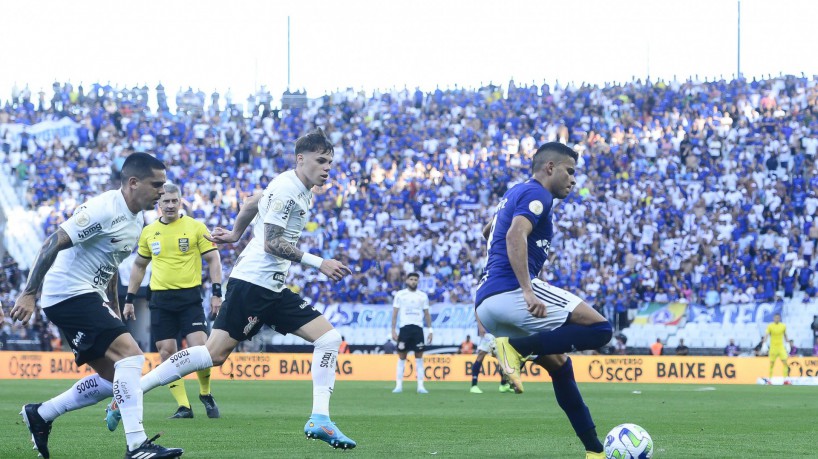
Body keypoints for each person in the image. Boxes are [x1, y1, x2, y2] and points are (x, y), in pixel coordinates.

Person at [105, 128, 357, 449]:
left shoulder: (298, 187)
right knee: (213, 354)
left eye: (330, 162)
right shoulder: (287, 190)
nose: (327, 168)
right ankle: (129, 393)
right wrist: (318, 262)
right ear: (301, 159)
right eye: (321, 161)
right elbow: (272, 242)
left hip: (272, 286)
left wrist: (237, 233)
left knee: (329, 338)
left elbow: (253, 201)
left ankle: (320, 419)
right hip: (252, 283)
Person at [4, 153, 182, 458]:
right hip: (67, 293)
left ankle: (41, 414)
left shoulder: (137, 219)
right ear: (133, 182)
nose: (162, 192)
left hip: (88, 296)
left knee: (117, 377)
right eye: (157, 185)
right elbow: (52, 241)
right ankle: (137, 446)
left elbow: (110, 267)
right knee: (132, 357)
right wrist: (29, 293)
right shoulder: (103, 209)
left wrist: (112, 310)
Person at [474, 142, 612, 459]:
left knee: (560, 367)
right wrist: (527, 289)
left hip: (488, 303)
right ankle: (515, 350)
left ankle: (594, 451)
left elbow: (490, 231)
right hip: (511, 291)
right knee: (601, 329)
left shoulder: (515, 193)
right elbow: (512, 235)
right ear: (550, 167)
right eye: (570, 171)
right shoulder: (539, 195)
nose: (573, 180)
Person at [106, 182, 223, 429]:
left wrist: (217, 293)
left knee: (200, 348)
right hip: (160, 299)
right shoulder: (149, 232)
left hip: (189, 297)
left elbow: (213, 259)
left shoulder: (195, 227)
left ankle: (205, 393)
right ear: (158, 204)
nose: (170, 205)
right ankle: (184, 406)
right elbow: (139, 266)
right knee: (166, 352)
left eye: (174, 201)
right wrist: (129, 299)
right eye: (165, 201)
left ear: (181, 202)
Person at [391, 272, 433, 394]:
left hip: (418, 329)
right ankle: (398, 385)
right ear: (407, 280)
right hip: (404, 329)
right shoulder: (400, 295)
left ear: (418, 281)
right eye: (411, 279)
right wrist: (393, 330)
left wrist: (430, 330)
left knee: (419, 358)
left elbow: (427, 314)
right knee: (401, 357)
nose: (413, 281)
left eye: (415, 279)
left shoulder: (422, 296)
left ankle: (420, 386)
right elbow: (395, 313)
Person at [468, 319, 513, 394]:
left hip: (500, 333)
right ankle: (474, 385)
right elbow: (477, 311)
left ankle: (503, 384)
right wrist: (480, 326)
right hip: (488, 332)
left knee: (503, 358)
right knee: (481, 355)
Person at [763, 313, 790, 384]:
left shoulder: (783, 326)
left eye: (778, 318)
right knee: (772, 364)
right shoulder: (770, 326)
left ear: (780, 318)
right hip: (773, 348)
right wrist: (764, 343)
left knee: (785, 363)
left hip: (781, 347)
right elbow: (766, 335)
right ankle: (770, 380)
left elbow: (785, 335)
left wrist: (787, 343)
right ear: (773, 318)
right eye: (775, 318)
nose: (777, 319)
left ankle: (785, 380)